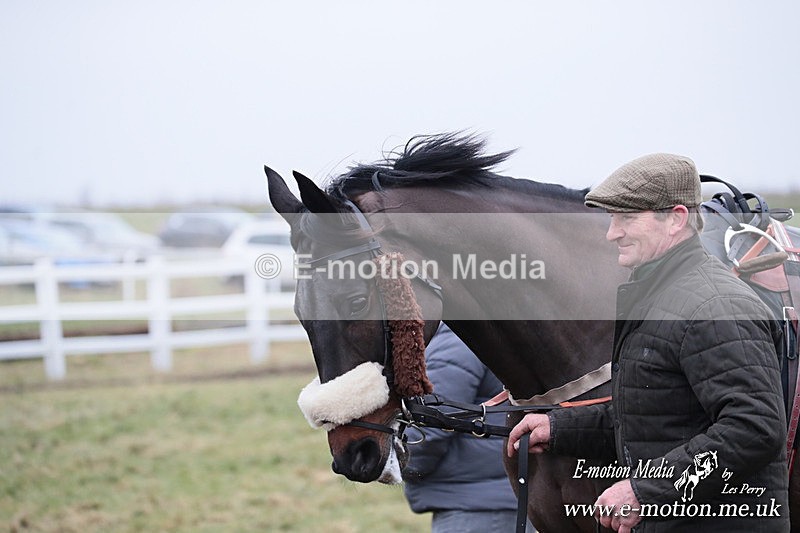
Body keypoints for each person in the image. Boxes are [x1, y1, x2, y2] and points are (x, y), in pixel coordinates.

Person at [507, 153, 789, 532]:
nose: (612, 233)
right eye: (612, 219)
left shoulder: (716, 305)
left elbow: (754, 429)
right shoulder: (660, 297)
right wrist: (559, 428)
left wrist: (646, 491)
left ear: (676, 219)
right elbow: (649, 415)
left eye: (626, 218)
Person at [403, 323, 535, 532]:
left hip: (477, 509)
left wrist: (394, 461)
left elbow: (430, 426)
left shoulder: (462, 333)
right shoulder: (504, 329)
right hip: (506, 497)